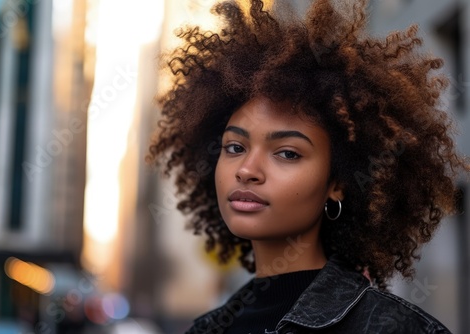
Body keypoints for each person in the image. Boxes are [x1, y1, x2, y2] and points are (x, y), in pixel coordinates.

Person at [147, 0, 469, 332]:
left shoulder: (395, 328)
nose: (247, 169)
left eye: (287, 153)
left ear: (337, 183)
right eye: (234, 147)